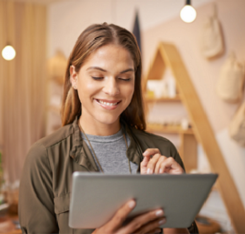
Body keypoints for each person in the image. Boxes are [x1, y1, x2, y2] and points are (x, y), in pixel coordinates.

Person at [19, 23, 198, 234]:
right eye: (97, 76)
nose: (112, 90)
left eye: (124, 78)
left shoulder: (165, 151)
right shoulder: (44, 158)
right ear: (74, 77)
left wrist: (173, 208)